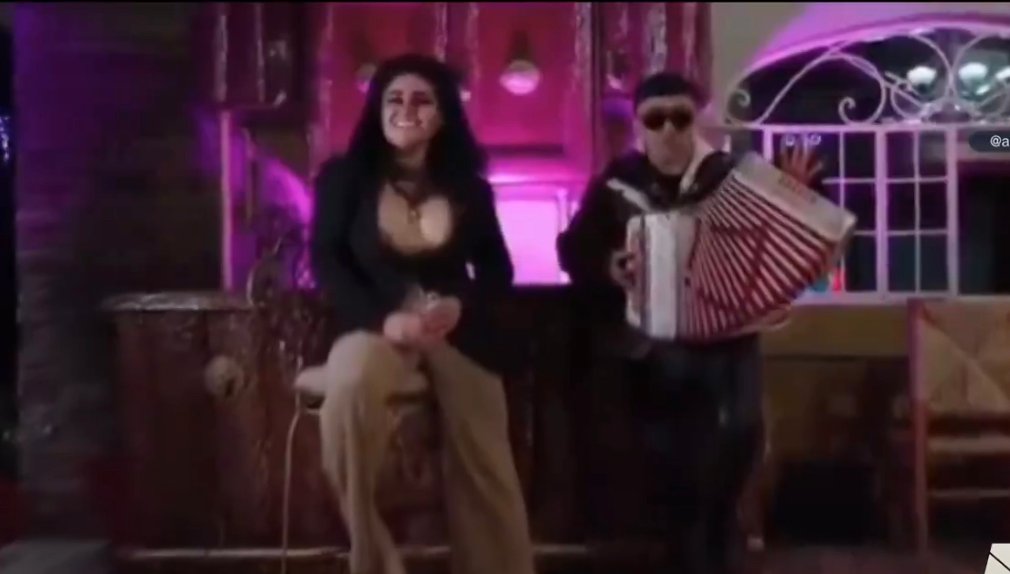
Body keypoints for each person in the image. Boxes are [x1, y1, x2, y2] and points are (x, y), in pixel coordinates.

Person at [557, 72, 823, 574]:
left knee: (740, 436)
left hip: (731, 344)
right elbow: (573, 249)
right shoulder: (616, 184)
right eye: (655, 119)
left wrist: (798, 199)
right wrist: (609, 264)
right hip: (653, 348)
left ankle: (715, 540)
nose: (668, 130)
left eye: (680, 117)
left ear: (697, 121)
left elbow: (789, 236)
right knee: (675, 464)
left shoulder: (733, 177)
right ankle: (697, 554)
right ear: (639, 126)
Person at [300, 53, 535, 574]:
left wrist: (460, 304)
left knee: (486, 461)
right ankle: (375, 561)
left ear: (443, 114)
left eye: (422, 100)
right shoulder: (344, 177)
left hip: (454, 333)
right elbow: (326, 261)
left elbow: (496, 268)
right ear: (378, 109)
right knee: (349, 387)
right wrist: (385, 319)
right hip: (375, 325)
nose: (406, 109)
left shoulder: (469, 187)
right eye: (395, 99)